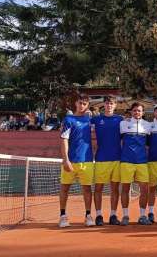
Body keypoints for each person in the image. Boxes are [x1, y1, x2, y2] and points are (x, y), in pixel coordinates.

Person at [58, 93, 95, 228]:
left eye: (85, 103)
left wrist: (92, 114)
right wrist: (66, 159)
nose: (82, 105)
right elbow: (64, 140)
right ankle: (62, 216)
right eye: (80, 103)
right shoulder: (68, 120)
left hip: (87, 161)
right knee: (65, 188)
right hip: (71, 161)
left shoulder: (90, 120)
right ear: (76, 103)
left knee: (87, 189)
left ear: (87, 105)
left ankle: (88, 215)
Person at [90, 95, 123, 226]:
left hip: (117, 159)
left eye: (112, 103)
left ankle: (113, 215)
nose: (109, 105)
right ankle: (98, 215)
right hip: (101, 159)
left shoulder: (120, 120)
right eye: (107, 103)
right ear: (104, 105)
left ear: (115, 106)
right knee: (98, 188)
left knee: (115, 189)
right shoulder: (96, 119)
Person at [119, 102, 152, 225]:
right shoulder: (123, 123)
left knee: (144, 189)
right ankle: (125, 216)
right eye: (135, 111)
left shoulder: (148, 125)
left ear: (143, 113)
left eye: (139, 111)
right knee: (125, 189)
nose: (137, 112)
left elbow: (149, 142)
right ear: (131, 112)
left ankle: (143, 216)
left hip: (142, 162)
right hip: (126, 161)